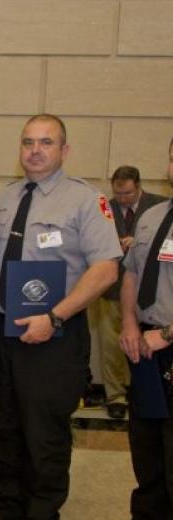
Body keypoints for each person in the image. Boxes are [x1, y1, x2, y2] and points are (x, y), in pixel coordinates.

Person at [0, 114, 122, 520]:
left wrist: (53, 318)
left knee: (44, 433)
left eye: (46, 142)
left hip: (54, 336)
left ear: (64, 150)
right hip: (4, 332)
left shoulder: (84, 200)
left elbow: (106, 268)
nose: (35, 150)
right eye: (28, 142)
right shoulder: (2, 198)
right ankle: (8, 509)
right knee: (5, 427)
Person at [97, 139, 173, 520]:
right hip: (141, 342)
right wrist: (128, 324)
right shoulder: (153, 216)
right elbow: (131, 274)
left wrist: (164, 335)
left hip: (163, 339)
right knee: (146, 442)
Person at [89, 166, 165, 419]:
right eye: (118, 193)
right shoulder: (103, 209)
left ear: (139, 186)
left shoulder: (158, 208)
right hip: (111, 288)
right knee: (111, 345)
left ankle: (140, 391)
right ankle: (116, 395)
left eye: (128, 193)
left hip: (149, 295)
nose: (122, 198)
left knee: (145, 347)